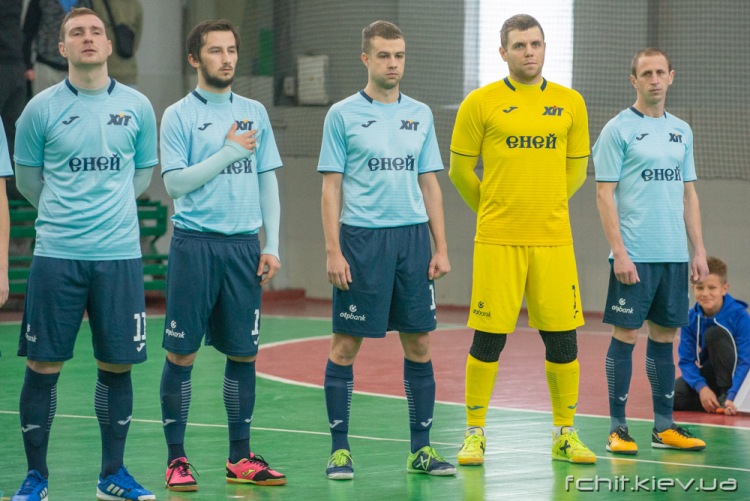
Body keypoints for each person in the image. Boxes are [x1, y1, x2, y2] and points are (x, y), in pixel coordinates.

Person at [11, 7, 157, 501]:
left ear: (109, 45)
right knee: (43, 367)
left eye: (96, 31)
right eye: (77, 32)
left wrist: (108, 210)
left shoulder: (137, 106)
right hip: (58, 256)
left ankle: (112, 474)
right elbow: (29, 181)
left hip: (119, 257)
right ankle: (36, 478)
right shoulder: (40, 109)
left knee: (117, 366)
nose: (88, 38)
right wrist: (68, 212)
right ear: (62, 47)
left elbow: (142, 174)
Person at [449, 13, 595, 466]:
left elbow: (576, 171)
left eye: (535, 44)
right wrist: (494, 209)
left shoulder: (571, 103)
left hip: (553, 242)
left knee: (563, 340)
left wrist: (544, 204)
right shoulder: (480, 102)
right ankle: (474, 433)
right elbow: (459, 171)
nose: (528, 52)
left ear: (545, 47)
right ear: (503, 52)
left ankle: (565, 434)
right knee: (489, 339)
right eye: (519, 45)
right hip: (498, 240)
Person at [319, 20, 455, 480]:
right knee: (345, 345)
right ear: (366, 59)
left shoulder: (421, 113)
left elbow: (429, 183)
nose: (393, 64)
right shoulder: (341, 114)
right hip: (362, 241)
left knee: (419, 342)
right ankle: (340, 451)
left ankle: (421, 449)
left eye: (399, 55)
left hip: (412, 241)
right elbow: (331, 188)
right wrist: (333, 251)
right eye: (383, 55)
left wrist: (441, 247)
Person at [157, 19, 285, 492]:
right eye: (215, 50)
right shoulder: (178, 115)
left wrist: (271, 244)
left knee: (243, 353)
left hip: (243, 248)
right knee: (181, 353)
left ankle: (240, 458)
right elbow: (175, 184)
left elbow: (267, 178)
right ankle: (177, 459)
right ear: (195, 58)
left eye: (231, 49)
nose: (226, 58)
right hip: (194, 245)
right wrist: (229, 152)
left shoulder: (254, 112)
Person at [593, 47, 709, 455]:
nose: (655, 79)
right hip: (635, 255)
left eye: (661, 72)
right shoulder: (617, 130)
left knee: (664, 337)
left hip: (674, 256)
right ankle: (618, 429)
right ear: (634, 80)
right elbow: (604, 194)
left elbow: (689, 194)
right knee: (626, 335)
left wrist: (698, 251)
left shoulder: (682, 131)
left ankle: (664, 428)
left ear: (671, 76)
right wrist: (619, 252)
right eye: (647, 73)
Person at [675, 257, 750, 415]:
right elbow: (686, 361)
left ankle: (728, 397)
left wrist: (733, 394)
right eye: (700, 288)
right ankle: (716, 401)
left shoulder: (740, 316)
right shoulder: (690, 318)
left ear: (724, 288)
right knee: (672, 396)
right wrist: (702, 388)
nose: (705, 293)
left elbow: (745, 360)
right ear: (693, 288)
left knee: (715, 334)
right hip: (713, 374)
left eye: (712, 288)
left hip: (739, 376)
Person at [22, 0, 92, 95]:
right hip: (45, 67)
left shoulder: (87, 2)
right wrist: (27, 65)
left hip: (78, 70)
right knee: (43, 104)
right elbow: (27, 32)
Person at [90, 0, 142, 86]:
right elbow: (136, 42)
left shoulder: (95, 3)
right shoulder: (135, 5)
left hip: (102, 72)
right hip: (128, 71)